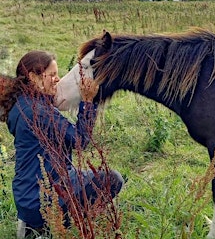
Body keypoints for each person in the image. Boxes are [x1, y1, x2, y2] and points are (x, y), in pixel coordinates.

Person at [1, 51, 124, 238]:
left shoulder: (22, 104)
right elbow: (80, 140)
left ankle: (39, 225)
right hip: (41, 196)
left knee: (88, 177)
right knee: (112, 180)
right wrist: (88, 102)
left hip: (27, 194)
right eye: (52, 75)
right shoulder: (39, 112)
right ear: (33, 77)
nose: (57, 79)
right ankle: (47, 227)